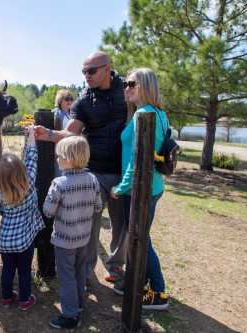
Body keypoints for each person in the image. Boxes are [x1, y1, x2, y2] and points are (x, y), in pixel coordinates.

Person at [35, 51, 127, 284]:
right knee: (89, 226)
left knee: (121, 224)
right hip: (93, 172)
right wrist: (47, 134)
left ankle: (116, 268)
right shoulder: (85, 99)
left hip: (122, 172)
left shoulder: (126, 89)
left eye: (91, 71)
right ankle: (85, 273)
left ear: (107, 69)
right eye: (84, 71)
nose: (86, 75)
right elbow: (71, 132)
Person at [110, 68, 169, 310]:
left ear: (144, 86)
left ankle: (158, 293)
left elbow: (138, 159)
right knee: (140, 236)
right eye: (125, 83)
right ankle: (140, 281)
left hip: (139, 189)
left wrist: (121, 188)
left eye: (131, 84)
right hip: (151, 186)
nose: (126, 87)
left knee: (141, 238)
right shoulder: (158, 113)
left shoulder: (143, 114)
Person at [43, 135, 102, 329]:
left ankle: (69, 316)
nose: (57, 160)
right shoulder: (93, 179)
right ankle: (77, 306)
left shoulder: (59, 184)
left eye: (59, 156)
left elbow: (48, 211)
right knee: (79, 272)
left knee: (66, 276)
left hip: (64, 240)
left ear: (68, 158)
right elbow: (98, 206)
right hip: (84, 238)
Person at [0, 126, 45, 311]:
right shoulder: (29, 184)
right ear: (22, 172)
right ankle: (25, 300)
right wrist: (31, 135)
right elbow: (31, 158)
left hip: (6, 241)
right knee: (24, 271)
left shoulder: (0, 195)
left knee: (7, 270)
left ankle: (7, 297)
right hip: (25, 241)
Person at [52, 89, 75, 177]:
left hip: (70, 151)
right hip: (59, 151)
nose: (69, 101)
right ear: (60, 100)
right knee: (59, 176)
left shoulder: (72, 114)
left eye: (71, 99)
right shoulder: (56, 113)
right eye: (66, 99)